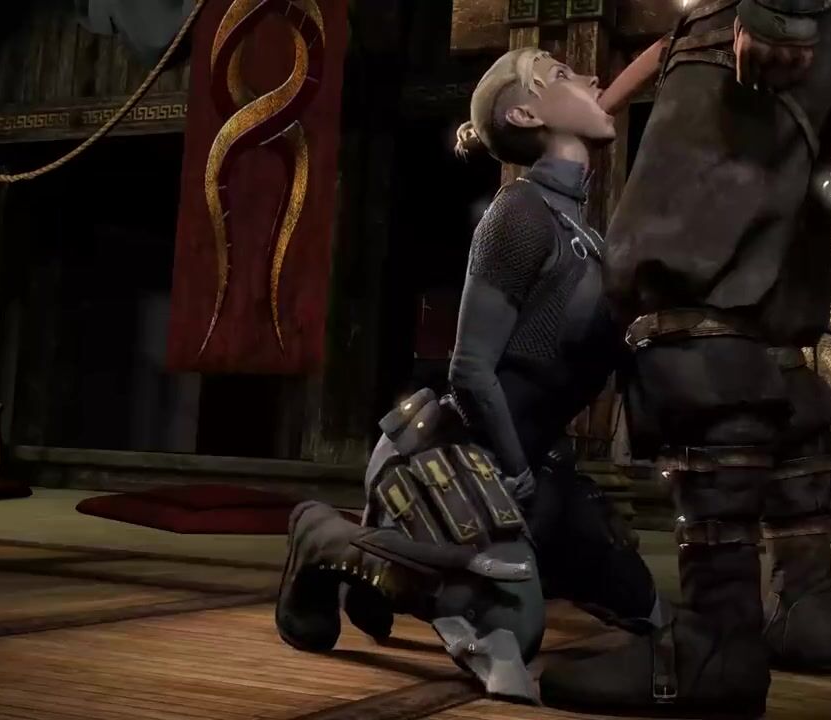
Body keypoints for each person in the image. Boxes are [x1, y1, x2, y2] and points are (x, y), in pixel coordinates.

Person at [275, 46, 664, 702]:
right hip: (461, 457)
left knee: (645, 607)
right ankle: (326, 537)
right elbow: (470, 367)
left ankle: (428, 567)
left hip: (539, 467)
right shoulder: (518, 214)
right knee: (511, 639)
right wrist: (513, 472)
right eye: (563, 75)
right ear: (526, 114)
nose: (592, 78)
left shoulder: (584, 234)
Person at [537, 0, 831, 716]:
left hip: (752, 22)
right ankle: (803, 601)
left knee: (677, 277)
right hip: (780, 26)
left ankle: (717, 638)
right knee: (766, 309)